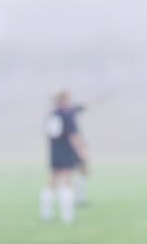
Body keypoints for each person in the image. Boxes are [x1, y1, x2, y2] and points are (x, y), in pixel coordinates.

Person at [40, 91, 88, 224]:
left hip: (54, 151)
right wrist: (82, 151)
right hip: (66, 152)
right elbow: (74, 136)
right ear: (63, 100)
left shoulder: (52, 115)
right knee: (67, 182)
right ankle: (68, 217)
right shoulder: (67, 115)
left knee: (51, 182)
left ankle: (46, 215)